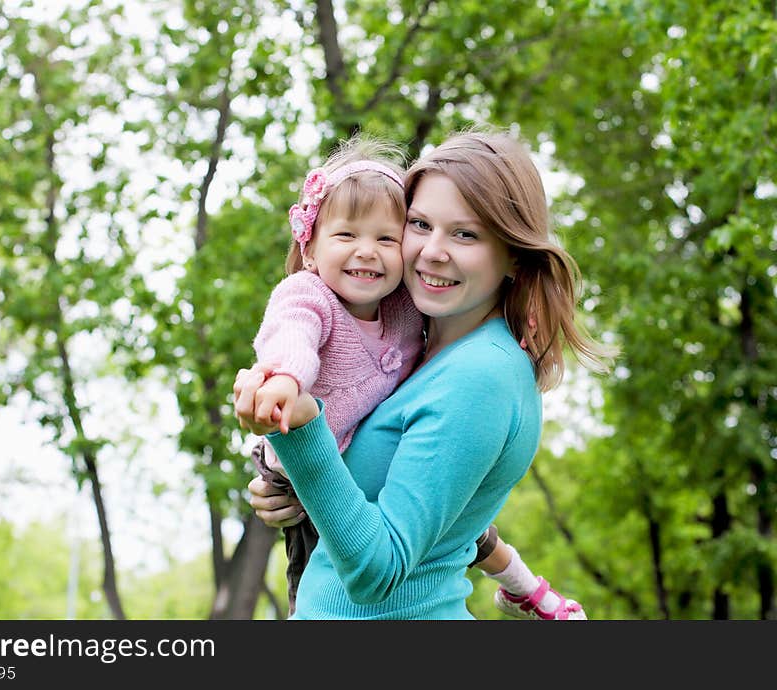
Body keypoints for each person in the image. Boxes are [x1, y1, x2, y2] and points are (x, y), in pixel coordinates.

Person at [237, 130, 606, 619]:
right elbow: (436, 518)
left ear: (514, 254)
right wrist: (294, 488)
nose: (432, 251)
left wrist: (301, 433)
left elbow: (378, 570)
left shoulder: (480, 375)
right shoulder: (424, 347)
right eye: (419, 224)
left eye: (465, 233)